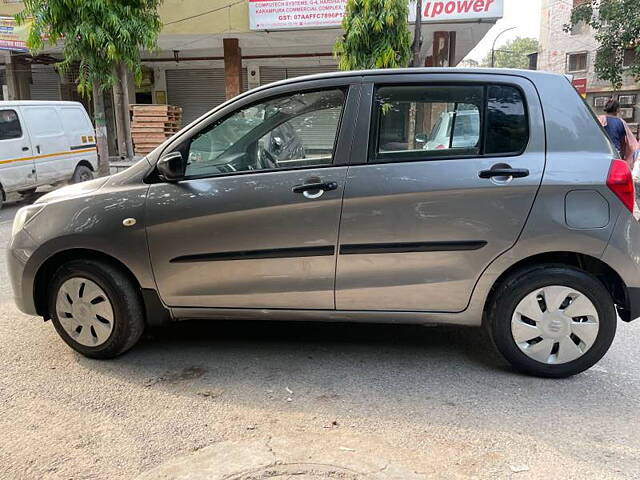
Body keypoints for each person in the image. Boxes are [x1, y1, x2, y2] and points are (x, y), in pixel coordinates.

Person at [598, 99, 640, 168]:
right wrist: (622, 156)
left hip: (601, 152)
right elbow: (623, 142)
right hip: (615, 153)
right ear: (617, 110)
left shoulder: (599, 119)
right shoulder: (621, 122)